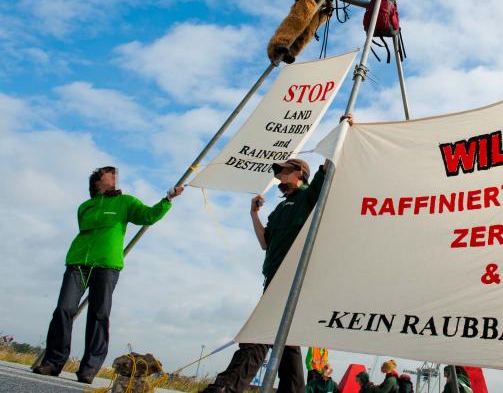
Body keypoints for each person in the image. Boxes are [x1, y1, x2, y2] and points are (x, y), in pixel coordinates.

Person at [32, 166, 184, 384]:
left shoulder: (126, 202)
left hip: (107, 265)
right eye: (109, 174)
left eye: (115, 175)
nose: (115, 177)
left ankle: (89, 369)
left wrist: (168, 199)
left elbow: (148, 216)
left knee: (99, 314)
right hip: (78, 263)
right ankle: (52, 363)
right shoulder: (85, 206)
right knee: (63, 310)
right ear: (97, 182)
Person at [201, 158, 328, 393]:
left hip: (293, 277)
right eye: (277, 172)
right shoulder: (279, 209)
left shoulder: (309, 196)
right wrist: (253, 214)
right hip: (272, 277)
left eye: (283, 172)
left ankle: (227, 387)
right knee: (286, 343)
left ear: (300, 173)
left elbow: (328, 168)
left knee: (260, 332)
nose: (279, 176)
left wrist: (343, 124)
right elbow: (264, 242)